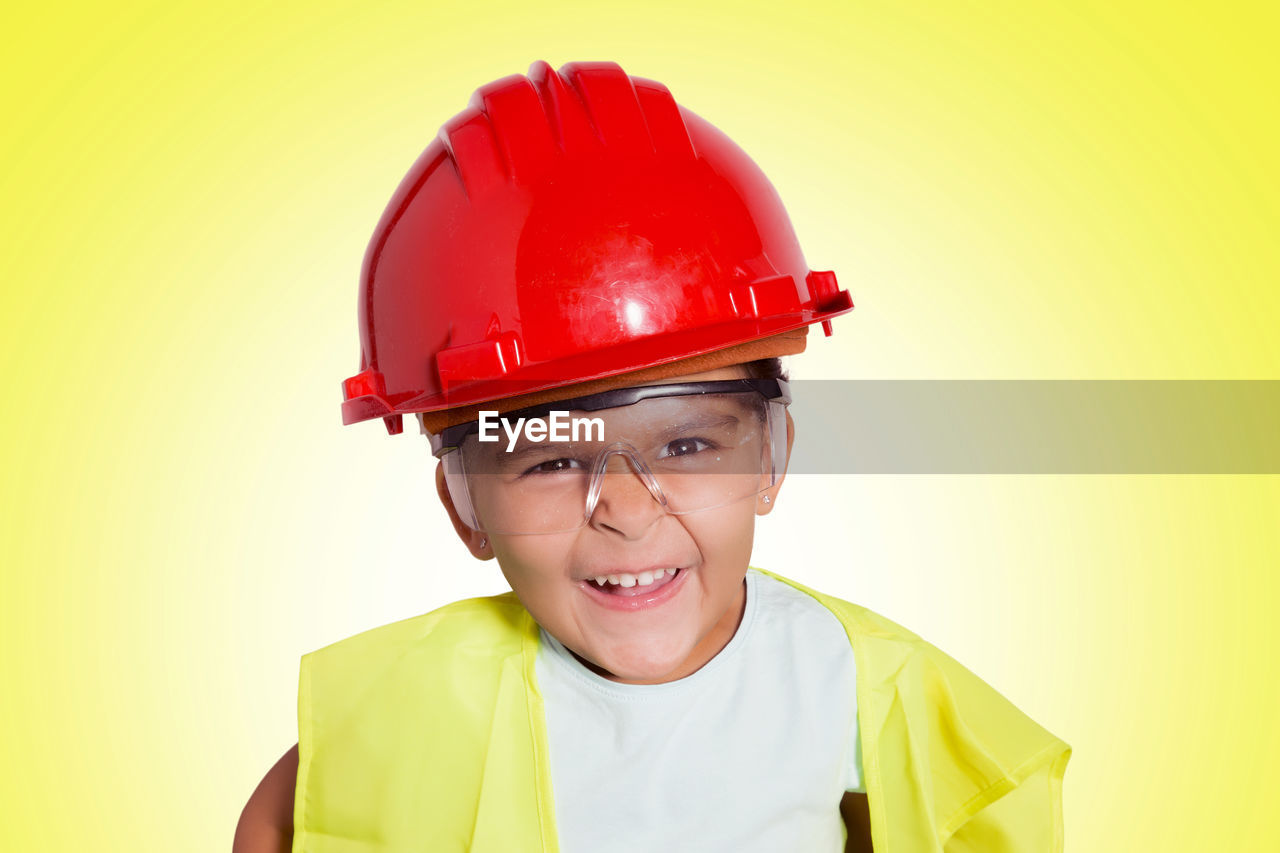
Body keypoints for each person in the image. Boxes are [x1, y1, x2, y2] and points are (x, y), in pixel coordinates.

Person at [234, 60, 1070, 852]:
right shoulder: (413, 698)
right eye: (553, 459)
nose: (629, 512)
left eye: (687, 443)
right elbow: (280, 818)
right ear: (464, 501)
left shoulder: (856, 683)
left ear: (769, 456)